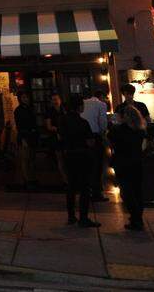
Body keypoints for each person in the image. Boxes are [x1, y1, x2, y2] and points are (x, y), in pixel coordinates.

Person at [58, 94, 100, 227]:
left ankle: (71, 216)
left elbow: (61, 137)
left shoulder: (63, 121)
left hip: (69, 155)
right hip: (82, 156)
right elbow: (90, 141)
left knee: (71, 186)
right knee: (84, 188)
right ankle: (83, 217)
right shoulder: (83, 123)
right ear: (79, 107)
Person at [110, 103, 148, 231]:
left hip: (122, 163)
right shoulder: (140, 131)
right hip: (137, 162)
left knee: (126, 191)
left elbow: (111, 142)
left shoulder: (118, 130)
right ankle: (138, 218)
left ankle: (135, 216)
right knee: (137, 191)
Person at [82, 88, 109, 200]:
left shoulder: (84, 102)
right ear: (101, 97)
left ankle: (86, 190)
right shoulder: (101, 104)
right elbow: (103, 124)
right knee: (97, 165)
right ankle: (97, 192)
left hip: (82, 137)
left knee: (86, 166)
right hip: (95, 137)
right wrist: (104, 134)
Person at [14, 91, 39, 189]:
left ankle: (32, 178)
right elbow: (19, 126)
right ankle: (27, 179)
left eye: (26, 97)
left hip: (32, 136)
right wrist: (23, 139)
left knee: (32, 158)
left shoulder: (30, 109)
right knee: (25, 158)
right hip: (24, 136)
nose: (25, 99)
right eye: (23, 97)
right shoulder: (18, 111)